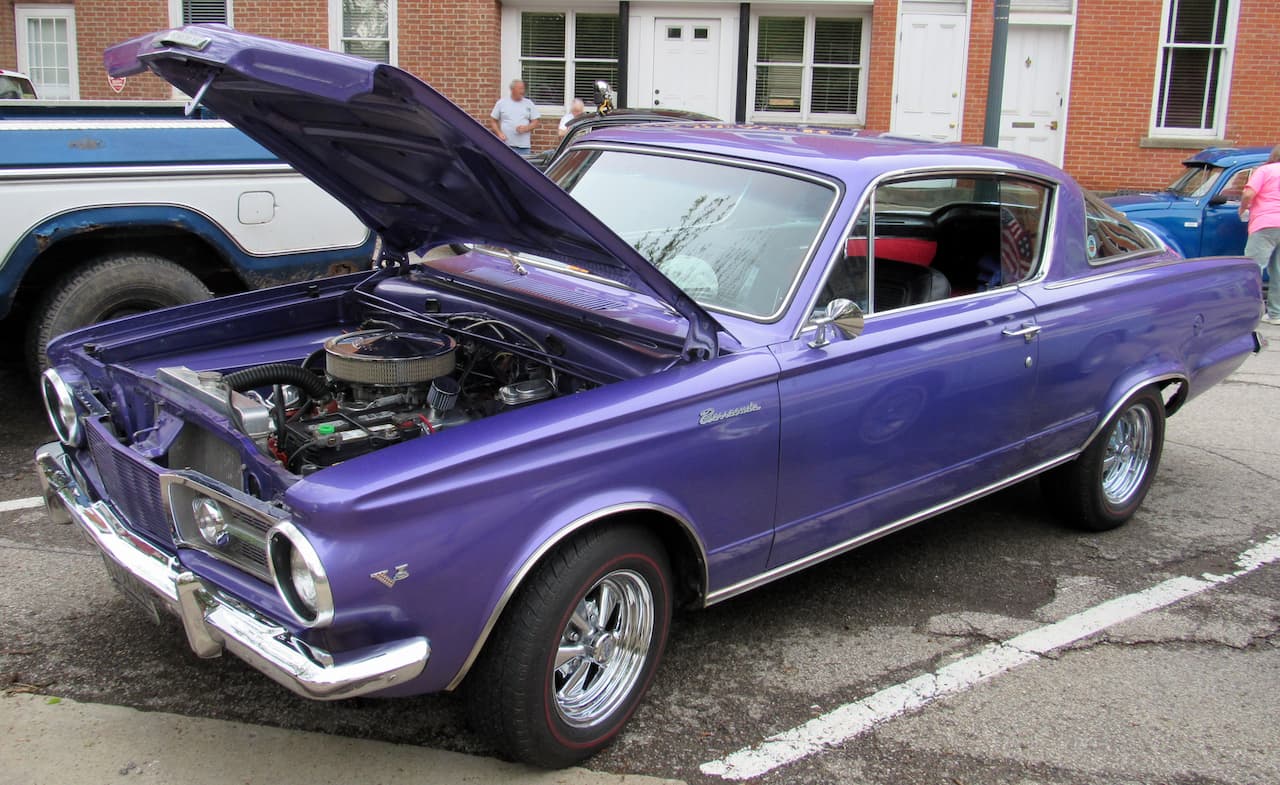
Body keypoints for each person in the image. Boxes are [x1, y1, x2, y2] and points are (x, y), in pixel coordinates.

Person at [1239, 144, 1280, 325]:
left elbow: (1248, 193)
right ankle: (1276, 314)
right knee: (1278, 270)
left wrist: (1243, 209)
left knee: (1253, 267)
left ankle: (1249, 311)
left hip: (1265, 223)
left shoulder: (1265, 170)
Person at [489, 79, 539, 154]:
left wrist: (526, 128)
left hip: (524, 147)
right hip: (506, 145)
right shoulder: (501, 103)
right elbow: (493, 120)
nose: (522, 91)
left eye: (523, 88)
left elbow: (535, 122)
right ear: (512, 89)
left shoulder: (529, 103)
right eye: (520, 88)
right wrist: (499, 133)